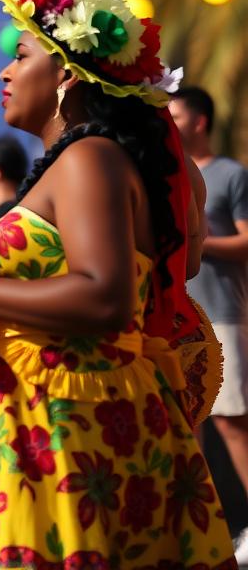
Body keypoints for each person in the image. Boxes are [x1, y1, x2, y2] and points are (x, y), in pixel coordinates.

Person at [0, 0, 235, 566]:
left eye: (21, 54)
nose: (4, 70)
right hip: (38, 415)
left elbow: (104, 295)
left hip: (67, 425)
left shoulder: (89, 160)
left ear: (66, 75)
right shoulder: (76, 162)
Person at [170, 85, 248, 560]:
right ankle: (199, 532)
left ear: (199, 121)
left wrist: (192, 245)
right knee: (187, 431)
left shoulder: (231, 175)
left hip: (224, 315)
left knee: (235, 426)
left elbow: (245, 243)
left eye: (175, 114)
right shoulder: (173, 175)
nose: (169, 122)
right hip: (181, 321)